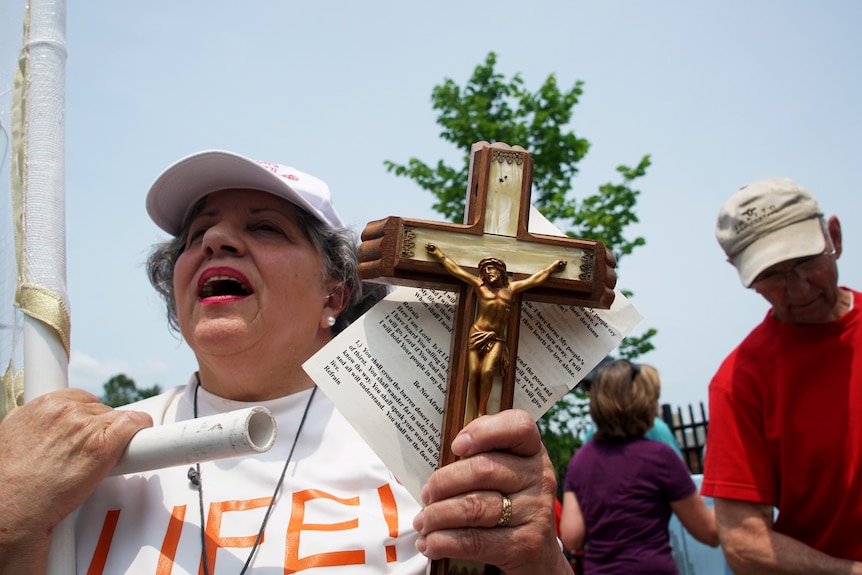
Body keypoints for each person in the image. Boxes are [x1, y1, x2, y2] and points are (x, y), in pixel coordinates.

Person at [0, 150, 579, 574]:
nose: (216, 241)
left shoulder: (435, 451)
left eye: (264, 227)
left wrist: (539, 564)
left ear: (334, 293)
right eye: (197, 232)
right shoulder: (79, 458)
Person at [703, 177, 862, 573]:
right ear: (739, 272)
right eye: (772, 274)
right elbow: (743, 543)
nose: (799, 287)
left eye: (808, 262)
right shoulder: (740, 382)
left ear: (834, 237)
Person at [559, 359, 717, 574]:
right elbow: (709, 532)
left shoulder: (580, 461)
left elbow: (571, 537)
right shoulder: (661, 457)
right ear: (643, 404)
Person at [425, 243, 567, 416]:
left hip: (497, 338)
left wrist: (552, 268)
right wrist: (438, 254)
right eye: (485, 271)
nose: (488, 273)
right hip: (477, 334)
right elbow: (456, 270)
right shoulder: (480, 286)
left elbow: (535, 279)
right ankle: (476, 409)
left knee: (488, 371)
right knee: (474, 373)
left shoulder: (511, 289)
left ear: (501, 271)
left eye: (491, 269)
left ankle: (481, 411)